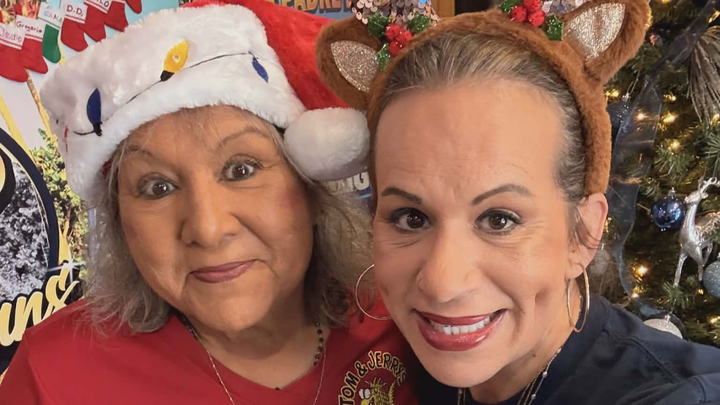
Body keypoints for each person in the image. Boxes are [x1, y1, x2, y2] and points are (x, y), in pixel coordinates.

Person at [0, 1, 419, 403]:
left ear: (310, 187)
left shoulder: (409, 323)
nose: (208, 228)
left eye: (241, 170)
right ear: (119, 220)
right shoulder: (55, 376)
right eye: (156, 188)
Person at [314, 0, 720, 404]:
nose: (442, 284)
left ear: (583, 233)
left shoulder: (678, 395)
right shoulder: (391, 368)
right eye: (411, 218)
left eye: (499, 220)